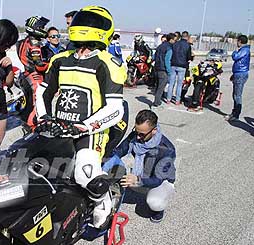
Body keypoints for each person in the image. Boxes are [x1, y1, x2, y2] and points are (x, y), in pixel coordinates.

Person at [35, 5, 126, 228]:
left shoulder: (107, 63)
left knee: (84, 174)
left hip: (91, 132)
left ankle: (103, 201)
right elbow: (43, 92)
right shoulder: (60, 59)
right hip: (58, 126)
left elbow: (116, 108)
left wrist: (84, 127)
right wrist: (44, 117)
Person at [103, 110, 176, 222]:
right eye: (136, 131)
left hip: (160, 182)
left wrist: (137, 179)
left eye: (141, 134)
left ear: (154, 131)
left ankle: (158, 211)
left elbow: (157, 180)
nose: (137, 137)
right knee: (111, 160)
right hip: (140, 175)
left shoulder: (167, 150)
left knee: (155, 202)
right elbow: (119, 151)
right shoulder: (136, 137)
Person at [17, 15, 50, 127]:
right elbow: (39, 65)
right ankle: (33, 128)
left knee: (29, 105)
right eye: (41, 27)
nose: (43, 30)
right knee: (37, 106)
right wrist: (53, 63)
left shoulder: (23, 41)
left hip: (25, 75)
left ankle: (28, 125)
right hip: (34, 77)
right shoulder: (34, 42)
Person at [225, 34, 251, 121]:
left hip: (241, 74)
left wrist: (234, 52)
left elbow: (235, 57)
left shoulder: (245, 50)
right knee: (235, 95)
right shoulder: (243, 50)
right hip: (238, 73)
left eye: (237, 41)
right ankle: (234, 112)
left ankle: (236, 115)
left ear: (240, 41)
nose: (237, 43)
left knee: (237, 95)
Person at [166, 31, 193, 105]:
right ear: (187, 37)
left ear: (181, 36)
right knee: (179, 84)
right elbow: (188, 57)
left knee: (171, 83)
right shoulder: (188, 45)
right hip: (182, 66)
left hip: (173, 64)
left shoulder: (175, 44)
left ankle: (168, 99)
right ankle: (177, 100)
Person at [153, 33, 176, 108]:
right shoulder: (169, 48)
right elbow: (167, 60)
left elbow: (154, 57)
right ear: (171, 40)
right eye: (174, 40)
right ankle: (157, 103)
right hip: (163, 70)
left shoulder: (160, 46)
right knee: (161, 88)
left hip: (156, 68)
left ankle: (156, 101)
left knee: (157, 87)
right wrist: (169, 72)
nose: (175, 42)